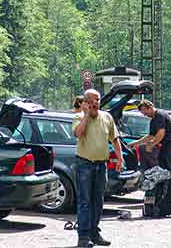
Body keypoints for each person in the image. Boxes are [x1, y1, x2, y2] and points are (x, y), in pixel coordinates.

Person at [72, 89, 123, 247]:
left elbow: (115, 139)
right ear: (86, 102)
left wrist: (120, 158)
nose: (95, 103)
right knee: (84, 202)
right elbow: (78, 134)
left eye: (98, 100)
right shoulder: (79, 117)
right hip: (85, 164)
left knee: (98, 201)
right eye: (92, 101)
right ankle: (83, 237)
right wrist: (86, 115)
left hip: (101, 165)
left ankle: (94, 233)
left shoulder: (107, 117)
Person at [128, 99, 171, 217]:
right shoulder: (153, 120)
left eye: (145, 112)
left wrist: (152, 144)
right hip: (166, 149)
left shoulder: (160, 114)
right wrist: (136, 143)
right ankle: (169, 206)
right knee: (165, 176)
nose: (145, 115)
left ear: (149, 107)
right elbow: (151, 135)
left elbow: (161, 133)